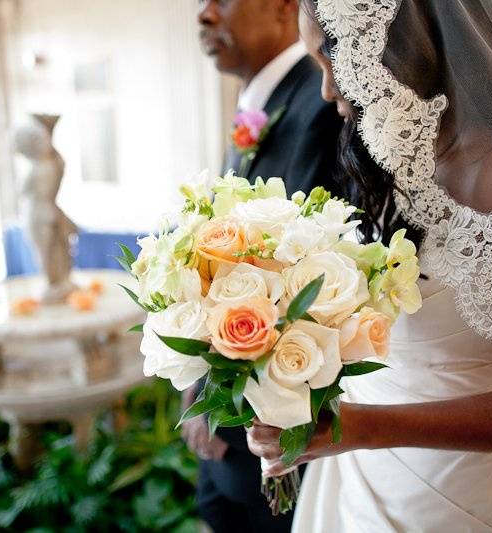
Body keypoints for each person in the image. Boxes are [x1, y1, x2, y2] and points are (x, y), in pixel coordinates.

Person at [246, 1, 492, 531]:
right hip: (360, 485)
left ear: (391, 36)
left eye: (330, 55)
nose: (327, 90)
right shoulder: (396, 166)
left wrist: (362, 428)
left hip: (461, 501)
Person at [185, 0, 344, 531]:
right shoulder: (258, 103)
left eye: (220, 0)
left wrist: (233, 421)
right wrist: (197, 384)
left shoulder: (325, 105)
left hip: (271, 432)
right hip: (225, 418)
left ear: (283, 7)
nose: (204, 15)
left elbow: (309, 287)